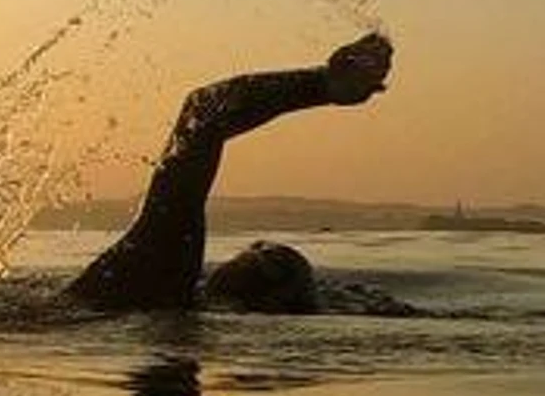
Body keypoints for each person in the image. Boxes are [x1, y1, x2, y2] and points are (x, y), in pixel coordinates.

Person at [65, 32, 393, 313]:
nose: (258, 247)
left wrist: (322, 84)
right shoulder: (169, 297)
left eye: (264, 257)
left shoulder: (152, 276)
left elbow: (205, 109)